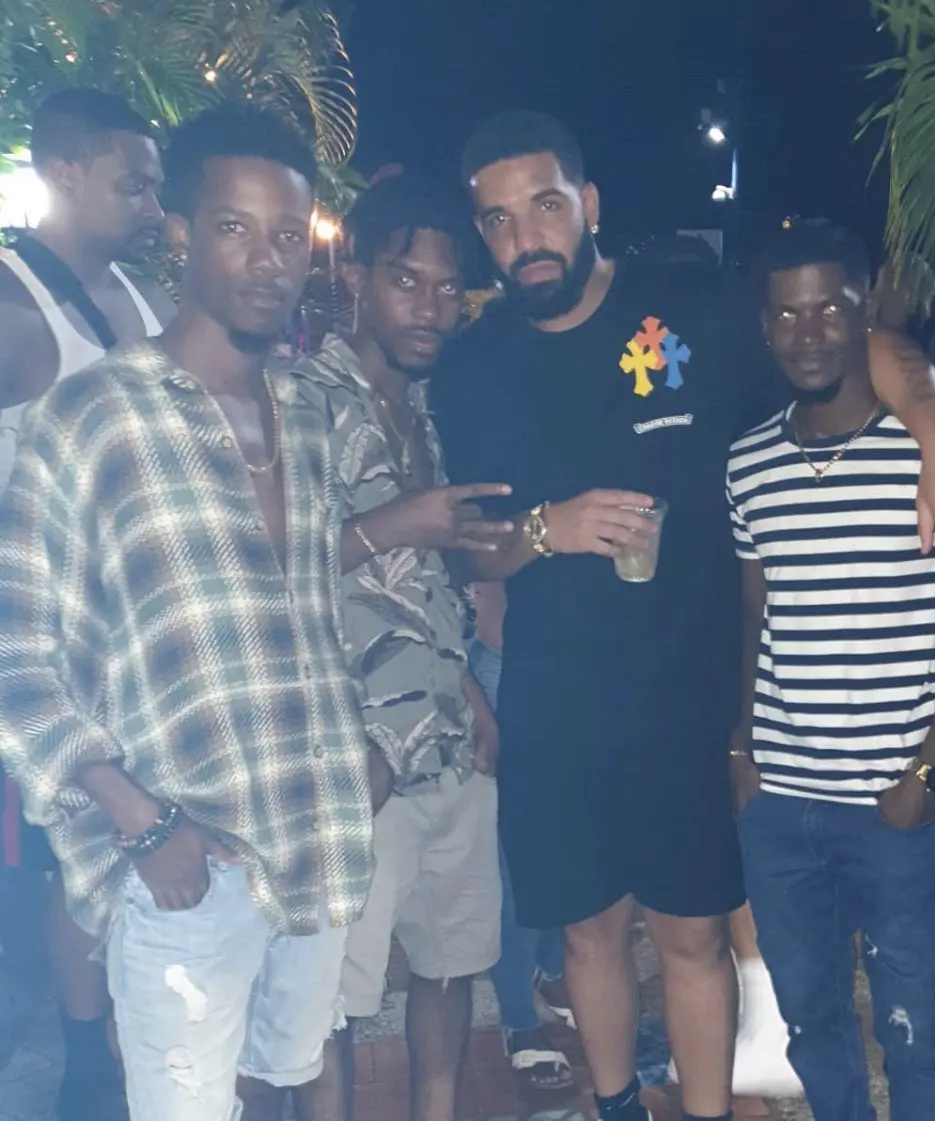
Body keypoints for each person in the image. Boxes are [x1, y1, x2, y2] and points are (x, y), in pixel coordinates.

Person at [430, 109, 935, 1121]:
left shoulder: (689, 303)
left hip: (688, 702)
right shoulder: (475, 367)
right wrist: (549, 529)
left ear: (587, 203)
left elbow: (853, 337)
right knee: (587, 933)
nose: (526, 238)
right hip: (557, 704)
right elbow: (471, 545)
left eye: (545, 206)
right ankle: (615, 1105)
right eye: (499, 221)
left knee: (692, 935)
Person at [0, 103, 381, 1121]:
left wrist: (363, 745)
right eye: (234, 227)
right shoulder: (91, 417)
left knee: (282, 1078)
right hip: (184, 854)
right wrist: (140, 818)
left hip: (312, 833)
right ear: (181, 232)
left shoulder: (307, 414)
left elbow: (314, 611)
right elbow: (18, 653)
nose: (267, 260)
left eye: (288, 234)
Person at [728, 221, 935, 1121]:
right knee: (812, 1023)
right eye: (785, 314)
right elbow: (753, 618)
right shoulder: (748, 462)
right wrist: (741, 748)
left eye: (828, 308)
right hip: (780, 806)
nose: (806, 332)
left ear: (866, 311)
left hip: (894, 804)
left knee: (915, 1034)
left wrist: (926, 772)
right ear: (764, 325)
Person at [294, 172, 514, 1121]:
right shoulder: (299, 400)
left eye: (446, 286)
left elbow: (418, 586)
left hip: (444, 742)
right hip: (355, 752)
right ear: (355, 276)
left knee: (451, 962)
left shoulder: (420, 407)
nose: (430, 307)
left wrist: (467, 690)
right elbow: (263, 566)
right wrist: (400, 521)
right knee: (331, 998)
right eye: (405, 280)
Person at [0, 86, 171, 1121]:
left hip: (141, 627)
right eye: (132, 183)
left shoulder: (138, 298)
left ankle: (123, 1038)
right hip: (54, 634)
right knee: (77, 848)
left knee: (134, 842)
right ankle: (84, 1058)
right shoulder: (15, 304)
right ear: (63, 172)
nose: (152, 203)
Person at [468, 581, 575, 1091]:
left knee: (569, 835)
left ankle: (551, 969)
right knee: (517, 856)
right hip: (507, 649)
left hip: (578, 652)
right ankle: (518, 1016)